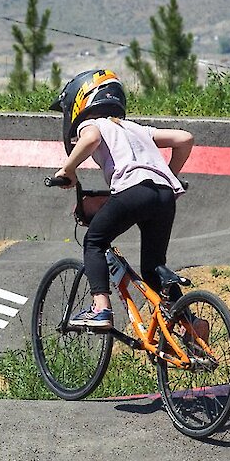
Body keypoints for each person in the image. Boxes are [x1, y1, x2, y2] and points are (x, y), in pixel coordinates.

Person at [48, 69, 194, 330]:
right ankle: (190, 323)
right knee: (153, 267)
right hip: (164, 196)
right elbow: (185, 138)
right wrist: (167, 174)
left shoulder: (92, 124)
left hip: (133, 191)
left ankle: (101, 308)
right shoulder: (135, 128)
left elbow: (90, 139)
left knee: (94, 240)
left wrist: (67, 170)